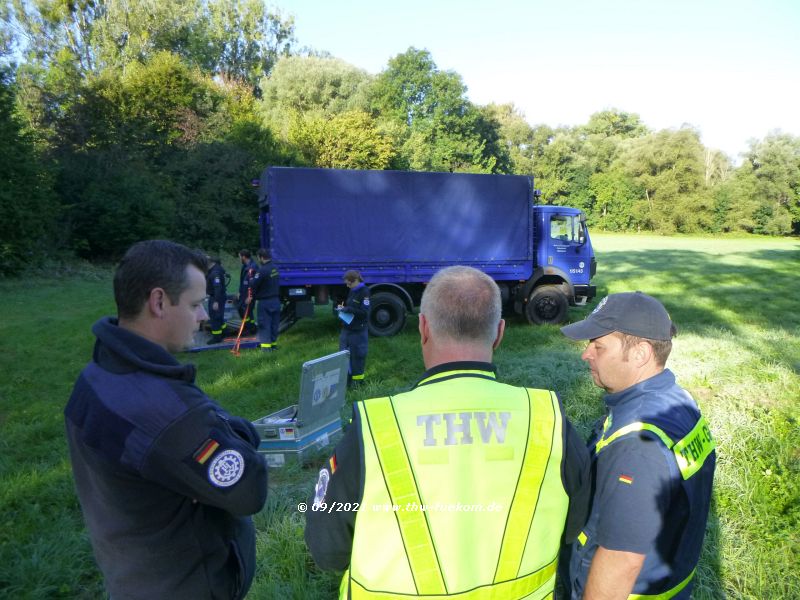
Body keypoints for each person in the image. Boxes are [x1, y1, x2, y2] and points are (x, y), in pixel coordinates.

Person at [305, 265, 590, 599]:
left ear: (423, 329)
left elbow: (328, 551)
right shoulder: (549, 420)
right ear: (499, 333)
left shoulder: (373, 427)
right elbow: (575, 530)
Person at [64, 240, 268, 600]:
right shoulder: (164, 411)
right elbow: (249, 489)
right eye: (195, 304)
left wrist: (219, 429)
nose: (204, 316)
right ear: (158, 302)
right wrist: (234, 430)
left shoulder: (96, 375)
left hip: (133, 576)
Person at [560, 292, 716, 599]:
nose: (586, 354)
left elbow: (621, 562)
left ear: (640, 354)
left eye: (598, 345)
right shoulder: (678, 400)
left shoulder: (638, 445)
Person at [337, 270, 370, 386]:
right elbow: (351, 306)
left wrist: (348, 310)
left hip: (358, 330)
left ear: (355, 280)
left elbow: (364, 313)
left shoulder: (364, 292)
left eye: (349, 283)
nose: (347, 286)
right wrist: (343, 309)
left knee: (357, 355)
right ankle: (347, 379)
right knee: (343, 354)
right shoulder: (352, 290)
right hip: (348, 328)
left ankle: (358, 382)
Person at [249, 248, 281, 352]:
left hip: (265, 302)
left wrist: (251, 278)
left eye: (258, 257)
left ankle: (266, 349)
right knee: (274, 324)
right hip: (276, 300)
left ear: (261, 257)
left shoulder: (262, 270)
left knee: (264, 324)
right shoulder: (275, 268)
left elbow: (254, 284)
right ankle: (274, 346)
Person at [205, 254, 228, 344]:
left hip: (216, 297)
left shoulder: (215, 273)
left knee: (214, 317)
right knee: (219, 316)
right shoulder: (214, 270)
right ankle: (224, 332)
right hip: (217, 296)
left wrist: (216, 301)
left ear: (211, 262)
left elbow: (217, 288)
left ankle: (216, 337)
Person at [237, 250, 257, 335]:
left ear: (244, 257)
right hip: (243, 293)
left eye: (240, 257)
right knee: (246, 311)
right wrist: (239, 291)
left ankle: (249, 329)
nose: (239, 259)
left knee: (246, 311)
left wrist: (251, 296)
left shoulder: (253, 267)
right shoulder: (245, 266)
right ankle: (251, 327)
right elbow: (243, 281)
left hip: (249, 295)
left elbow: (255, 284)